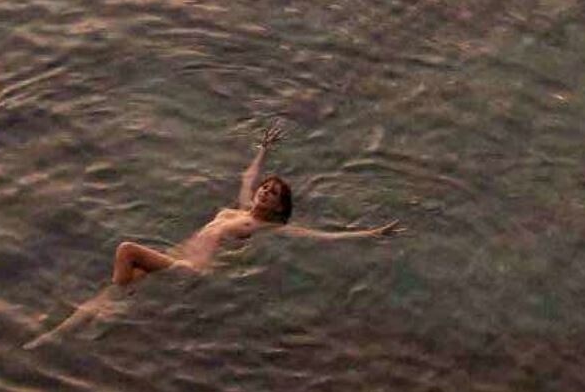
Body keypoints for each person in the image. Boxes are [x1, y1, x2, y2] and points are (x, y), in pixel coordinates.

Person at [23, 123, 401, 348]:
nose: (264, 192)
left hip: (190, 268)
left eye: (273, 194)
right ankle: (52, 338)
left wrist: (371, 233)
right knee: (102, 297)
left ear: (278, 208)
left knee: (126, 251)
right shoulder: (239, 210)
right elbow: (247, 178)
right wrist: (262, 150)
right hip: (175, 257)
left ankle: (115, 308)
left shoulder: (267, 227)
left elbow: (319, 236)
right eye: (266, 188)